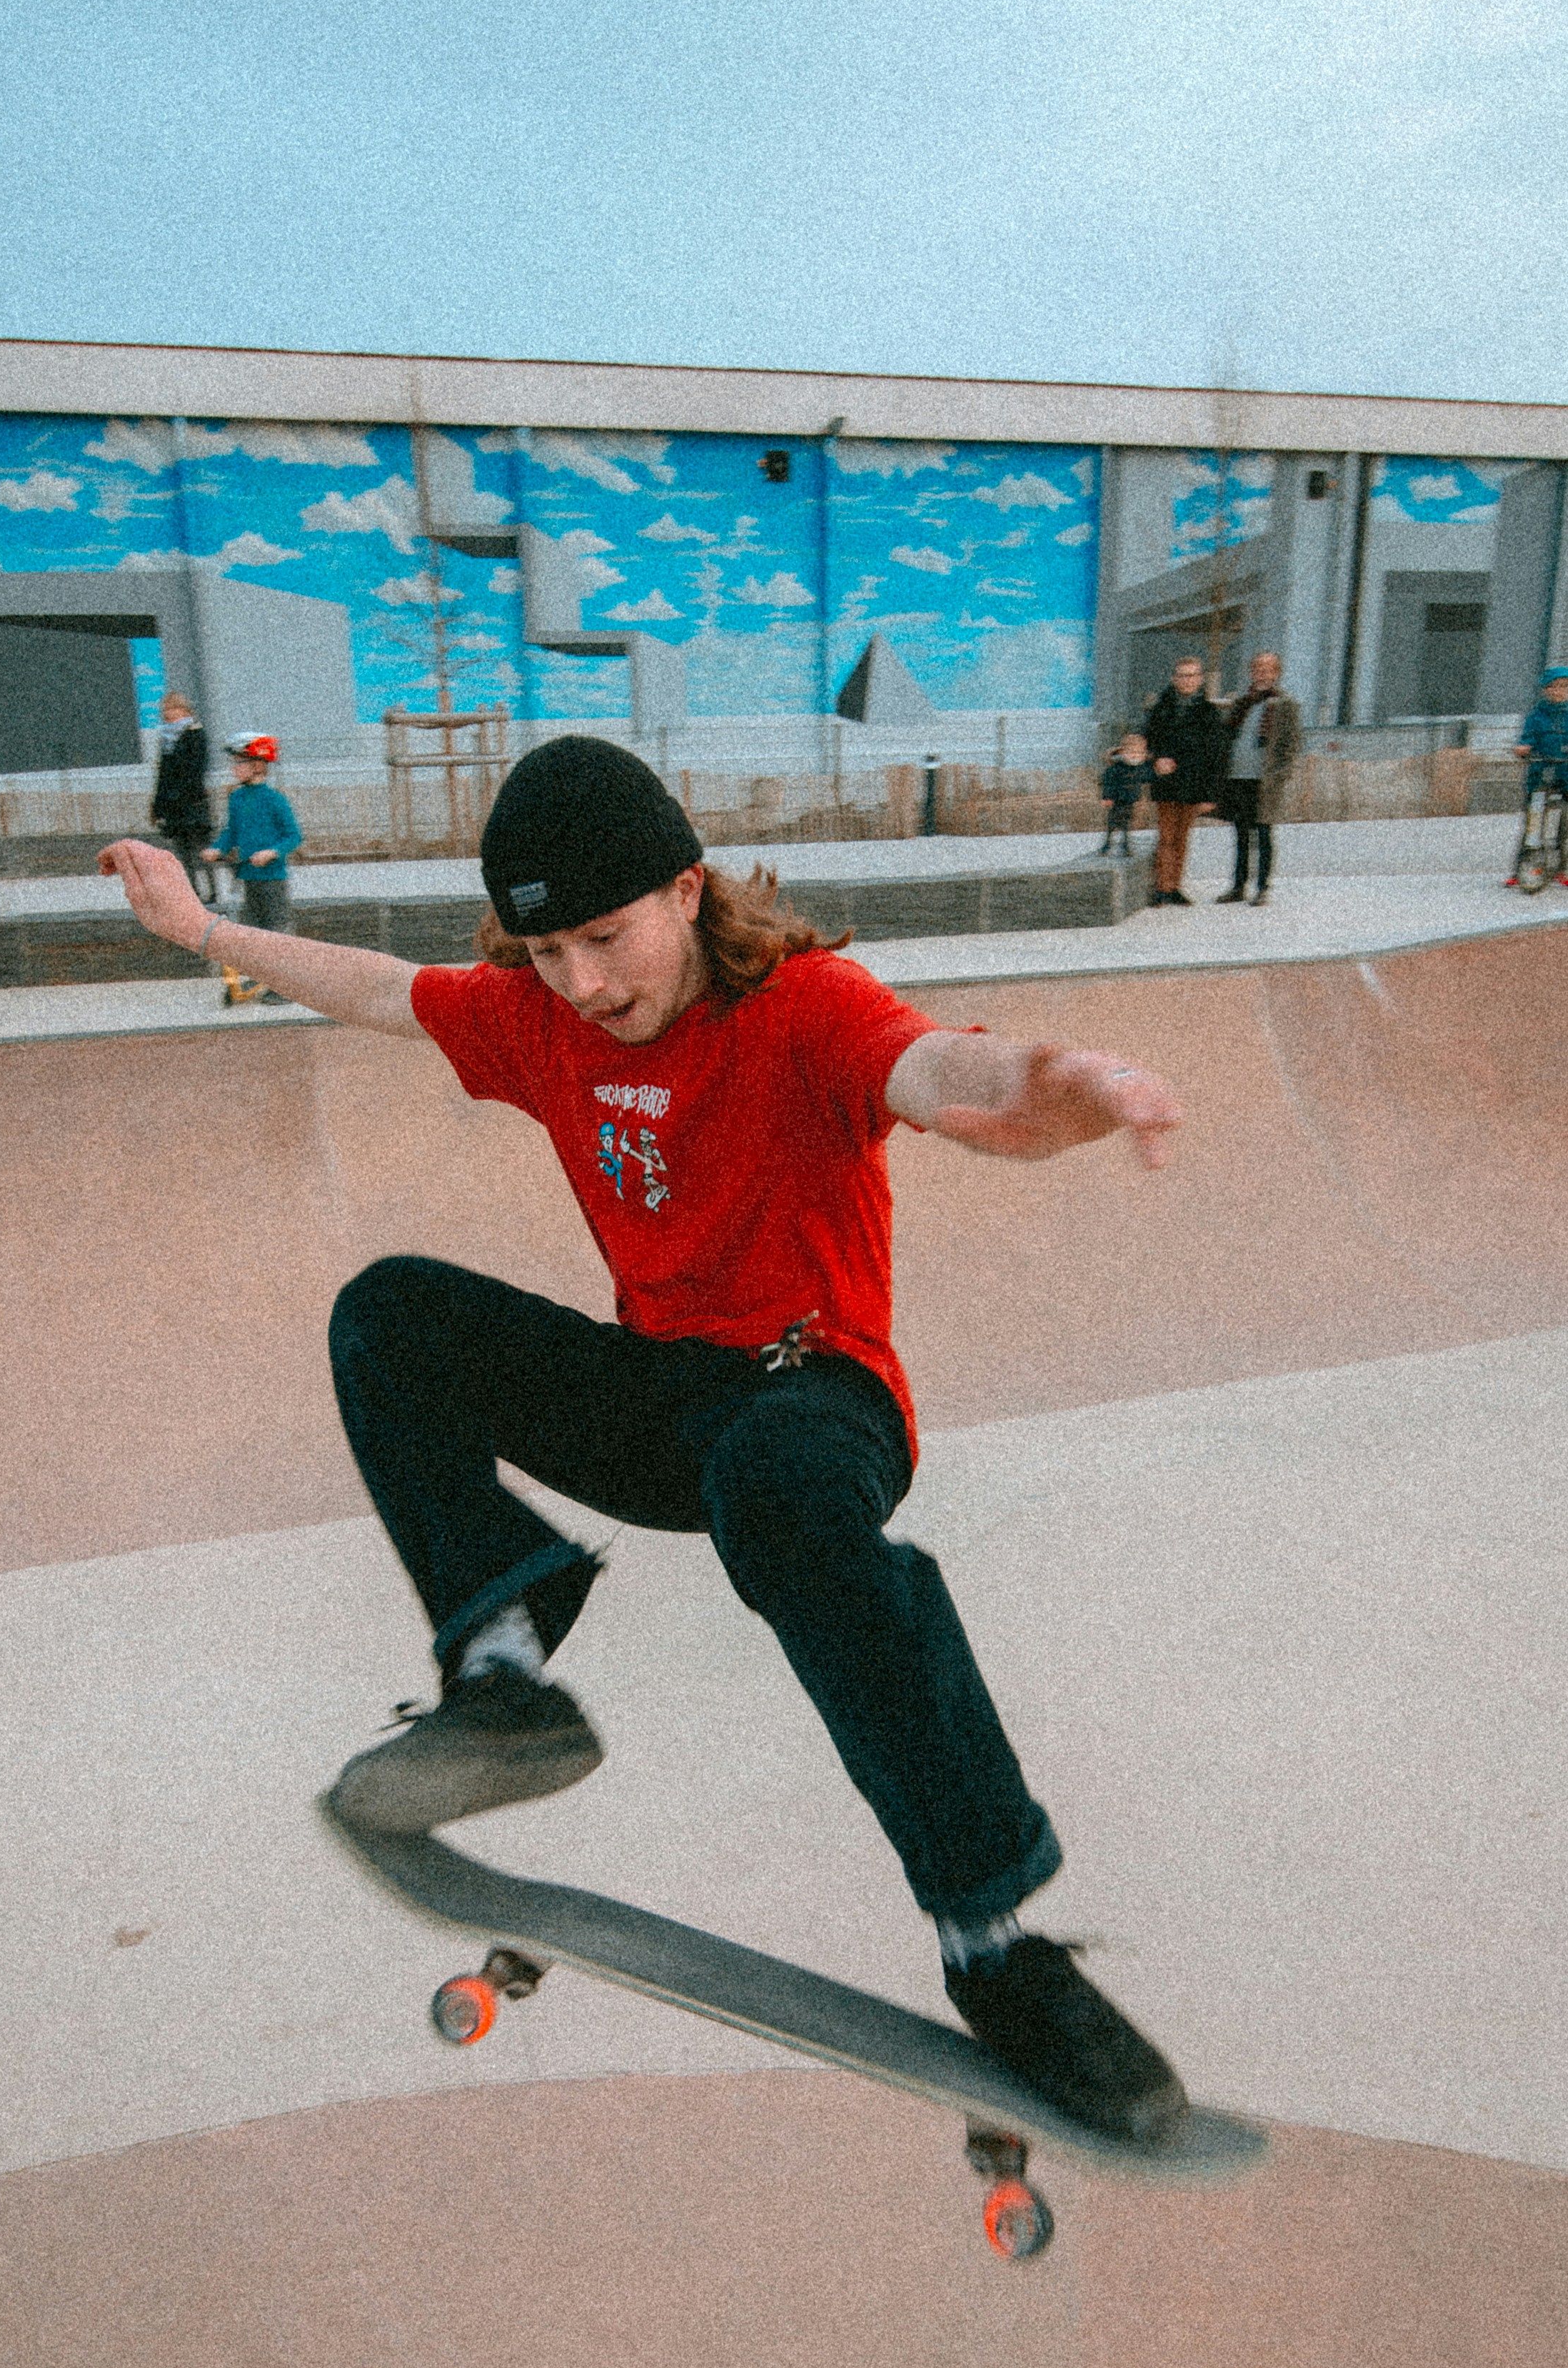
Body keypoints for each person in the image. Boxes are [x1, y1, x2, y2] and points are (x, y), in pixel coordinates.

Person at [103, 736, 1194, 2149]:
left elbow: (936, 1067)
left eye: (605, 939)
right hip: (659, 1394)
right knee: (389, 1316)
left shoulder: (803, 1007)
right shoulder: (538, 1013)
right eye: (545, 951)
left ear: (686, 890)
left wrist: (1052, 1088)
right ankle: (500, 1678)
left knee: (777, 1481)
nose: (583, 984)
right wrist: (201, 932)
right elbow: (384, 989)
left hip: (818, 1397)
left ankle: (996, 1940)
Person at [211, 731, 302, 1000]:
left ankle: (285, 986)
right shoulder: (236, 798)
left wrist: (272, 852)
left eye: (239, 762)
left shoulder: (275, 800)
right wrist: (218, 847)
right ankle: (261, 977)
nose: (234, 768)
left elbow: (294, 836)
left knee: (277, 931)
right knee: (253, 931)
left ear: (258, 765)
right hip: (247, 875)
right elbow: (232, 831)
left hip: (272, 877)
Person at [1215, 652, 1302, 905]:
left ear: (1276, 673)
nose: (1262, 674)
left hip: (1264, 782)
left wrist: (1279, 777)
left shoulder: (1285, 705)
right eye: (1257, 669)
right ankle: (1238, 886)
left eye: (1267, 669)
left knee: (1263, 834)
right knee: (1241, 835)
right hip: (1238, 779)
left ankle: (1263, 887)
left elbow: (1291, 745)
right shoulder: (1242, 703)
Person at [1142, 657, 1223, 904]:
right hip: (1166, 784)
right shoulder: (1160, 709)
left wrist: (1211, 795)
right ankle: (1162, 888)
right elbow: (1145, 743)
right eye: (1182, 675)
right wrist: (1156, 760)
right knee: (1166, 836)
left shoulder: (1209, 713)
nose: (1187, 680)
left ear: (1200, 679)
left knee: (1182, 838)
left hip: (1193, 784)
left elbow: (1216, 756)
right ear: (1174, 678)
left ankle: (1174, 887)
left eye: (1192, 675)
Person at [1506, 669, 1568, 887]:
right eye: (1553, 687)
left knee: (1565, 823)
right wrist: (1522, 748)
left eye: (1563, 686)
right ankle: (1520, 868)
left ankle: (1561, 868)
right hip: (1540, 772)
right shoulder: (1537, 715)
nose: (1558, 692)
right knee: (1532, 822)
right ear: (1545, 690)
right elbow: (1526, 738)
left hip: (1566, 774)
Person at [150, 691, 214, 895]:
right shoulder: (167, 740)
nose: (167, 714)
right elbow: (163, 775)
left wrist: (182, 796)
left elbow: (196, 770)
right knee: (182, 856)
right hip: (173, 808)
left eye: (172, 709)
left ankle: (212, 893)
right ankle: (193, 895)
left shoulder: (195, 734)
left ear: (184, 710)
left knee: (202, 851)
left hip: (192, 804)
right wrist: (158, 806)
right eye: (165, 710)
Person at [1097, 730, 1154, 856]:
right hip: (1117, 800)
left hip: (1130, 799)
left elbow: (1148, 777)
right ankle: (1108, 844)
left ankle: (1125, 845)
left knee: (1127, 822)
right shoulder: (1116, 768)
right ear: (1123, 752)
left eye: (1139, 753)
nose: (1135, 756)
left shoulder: (1141, 768)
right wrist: (1107, 797)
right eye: (1132, 752)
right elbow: (1108, 782)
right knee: (1113, 822)